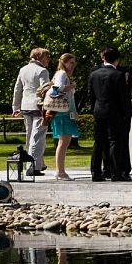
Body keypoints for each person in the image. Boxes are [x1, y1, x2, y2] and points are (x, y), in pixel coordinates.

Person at [86, 48, 132, 183]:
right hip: (115, 112)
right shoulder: (118, 75)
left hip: (99, 111)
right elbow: (123, 97)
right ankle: (116, 172)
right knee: (115, 141)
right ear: (117, 60)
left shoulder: (94, 74)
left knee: (98, 142)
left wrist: (94, 110)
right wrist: (127, 112)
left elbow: (91, 95)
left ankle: (95, 172)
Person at [10, 47, 51, 179]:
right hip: (38, 106)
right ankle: (32, 167)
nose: (48, 60)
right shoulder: (42, 71)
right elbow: (44, 90)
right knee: (38, 137)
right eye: (46, 57)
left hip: (25, 105)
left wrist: (15, 106)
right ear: (39, 57)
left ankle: (39, 163)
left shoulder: (23, 69)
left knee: (30, 136)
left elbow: (17, 89)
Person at [48, 53, 80, 181]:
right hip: (63, 112)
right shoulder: (62, 74)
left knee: (64, 141)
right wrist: (71, 86)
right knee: (63, 142)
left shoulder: (61, 74)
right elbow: (57, 89)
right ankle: (60, 172)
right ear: (64, 62)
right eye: (71, 63)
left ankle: (59, 171)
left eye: (74, 63)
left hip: (66, 111)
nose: (73, 66)